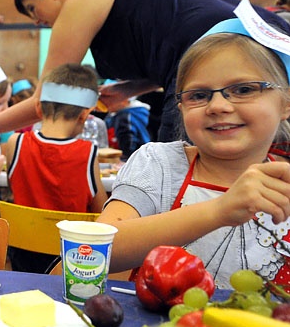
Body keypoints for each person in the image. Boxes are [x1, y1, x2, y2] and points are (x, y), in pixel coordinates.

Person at [0, 0, 290, 146]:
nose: (40, 24)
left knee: (179, 171)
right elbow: (170, 51)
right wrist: (129, 89)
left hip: (224, 53)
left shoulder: (81, 1)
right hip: (264, 48)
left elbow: (46, 100)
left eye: (34, 11)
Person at [99, 17, 290, 288]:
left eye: (244, 89)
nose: (218, 106)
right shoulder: (159, 165)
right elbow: (96, 249)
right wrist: (219, 211)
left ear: (286, 103)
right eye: (199, 95)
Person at [1, 64, 108, 273]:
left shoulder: (16, 142)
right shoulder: (88, 153)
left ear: (39, 109)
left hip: (23, 259)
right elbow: (101, 211)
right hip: (72, 260)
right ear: (84, 115)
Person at [103, 90, 152, 159]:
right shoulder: (114, 114)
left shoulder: (126, 116)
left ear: (124, 100)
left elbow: (129, 143)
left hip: (131, 158)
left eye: (109, 99)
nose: (105, 102)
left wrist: (125, 157)